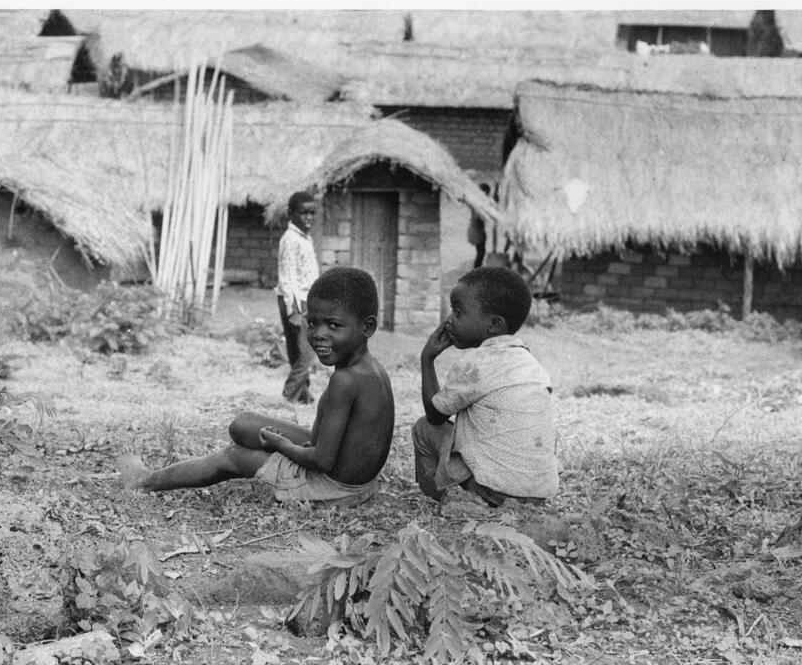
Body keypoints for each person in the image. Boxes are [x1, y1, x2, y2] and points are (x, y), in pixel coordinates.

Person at [119, 268, 394, 507]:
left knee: (233, 457)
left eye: (333, 325)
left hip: (332, 488)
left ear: (367, 327)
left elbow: (321, 461)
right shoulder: (373, 370)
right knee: (244, 424)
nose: (319, 334)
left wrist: (281, 445)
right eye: (312, 322)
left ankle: (145, 483)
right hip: (356, 480)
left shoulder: (344, 381)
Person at [413, 266, 558, 507]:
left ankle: (444, 500)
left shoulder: (475, 364)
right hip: (538, 495)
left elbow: (435, 416)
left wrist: (427, 359)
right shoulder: (532, 365)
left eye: (458, 312)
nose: (449, 320)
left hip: (494, 492)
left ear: (493, 325)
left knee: (423, 429)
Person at [277, 191, 321, 404]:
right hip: (295, 302)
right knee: (307, 353)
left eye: (312, 213)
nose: (309, 218)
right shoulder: (290, 239)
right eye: (304, 213)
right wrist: (292, 310)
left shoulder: (305, 237)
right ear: (291, 213)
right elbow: (287, 278)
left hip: (306, 300)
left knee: (299, 352)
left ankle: (303, 396)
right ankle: (287, 397)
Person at [467, 182, 492, 269]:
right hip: (477, 232)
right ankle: (476, 272)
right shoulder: (478, 204)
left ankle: (477, 270)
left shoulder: (476, 201)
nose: (488, 196)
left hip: (476, 230)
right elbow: (479, 216)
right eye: (487, 193)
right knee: (481, 252)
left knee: (481, 252)